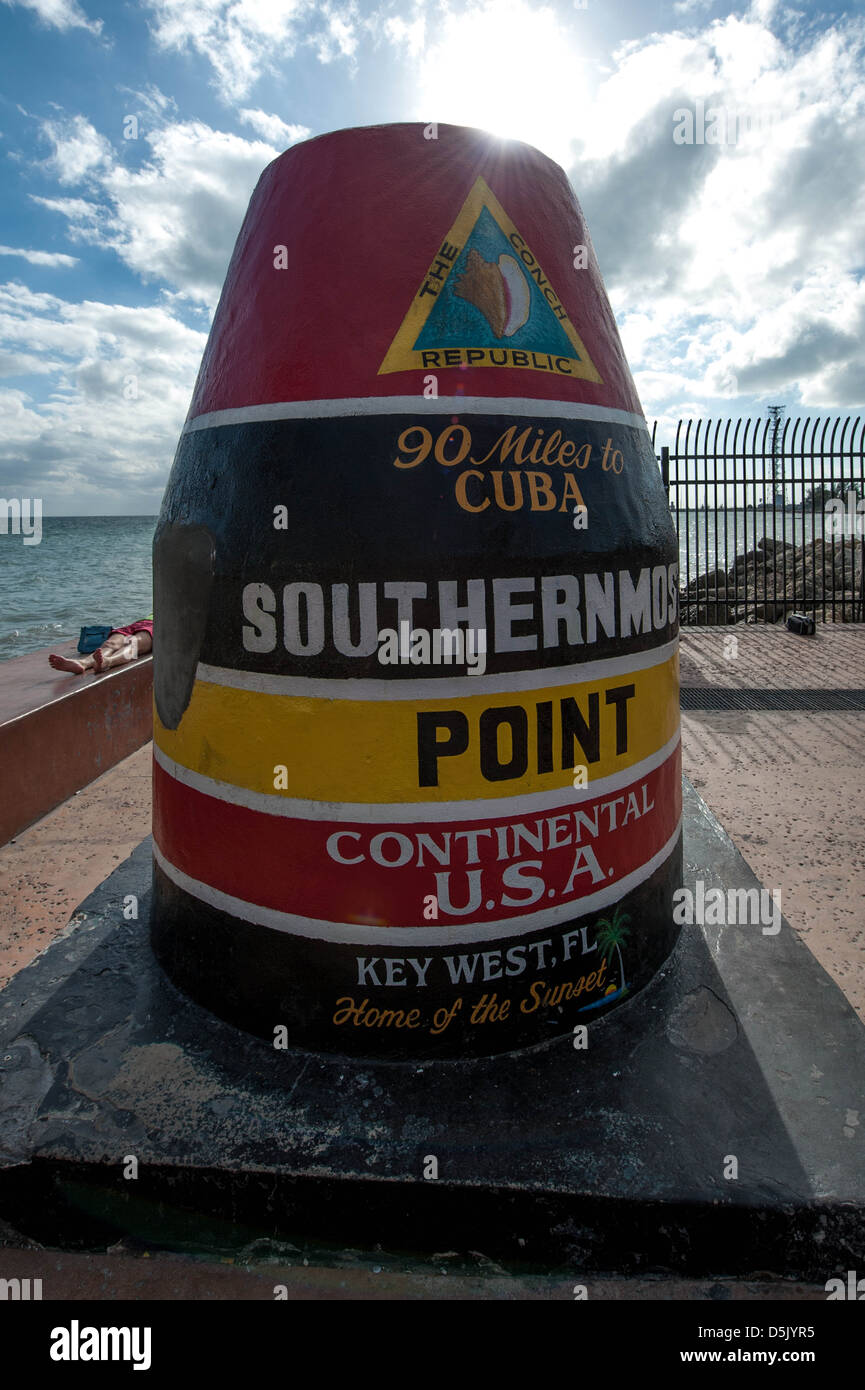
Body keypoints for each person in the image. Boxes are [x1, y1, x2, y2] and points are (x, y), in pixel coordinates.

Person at [49, 617, 153, 676]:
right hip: (139, 623)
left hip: (157, 625)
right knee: (110, 644)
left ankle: (108, 661)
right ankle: (82, 663)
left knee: (133, 643)